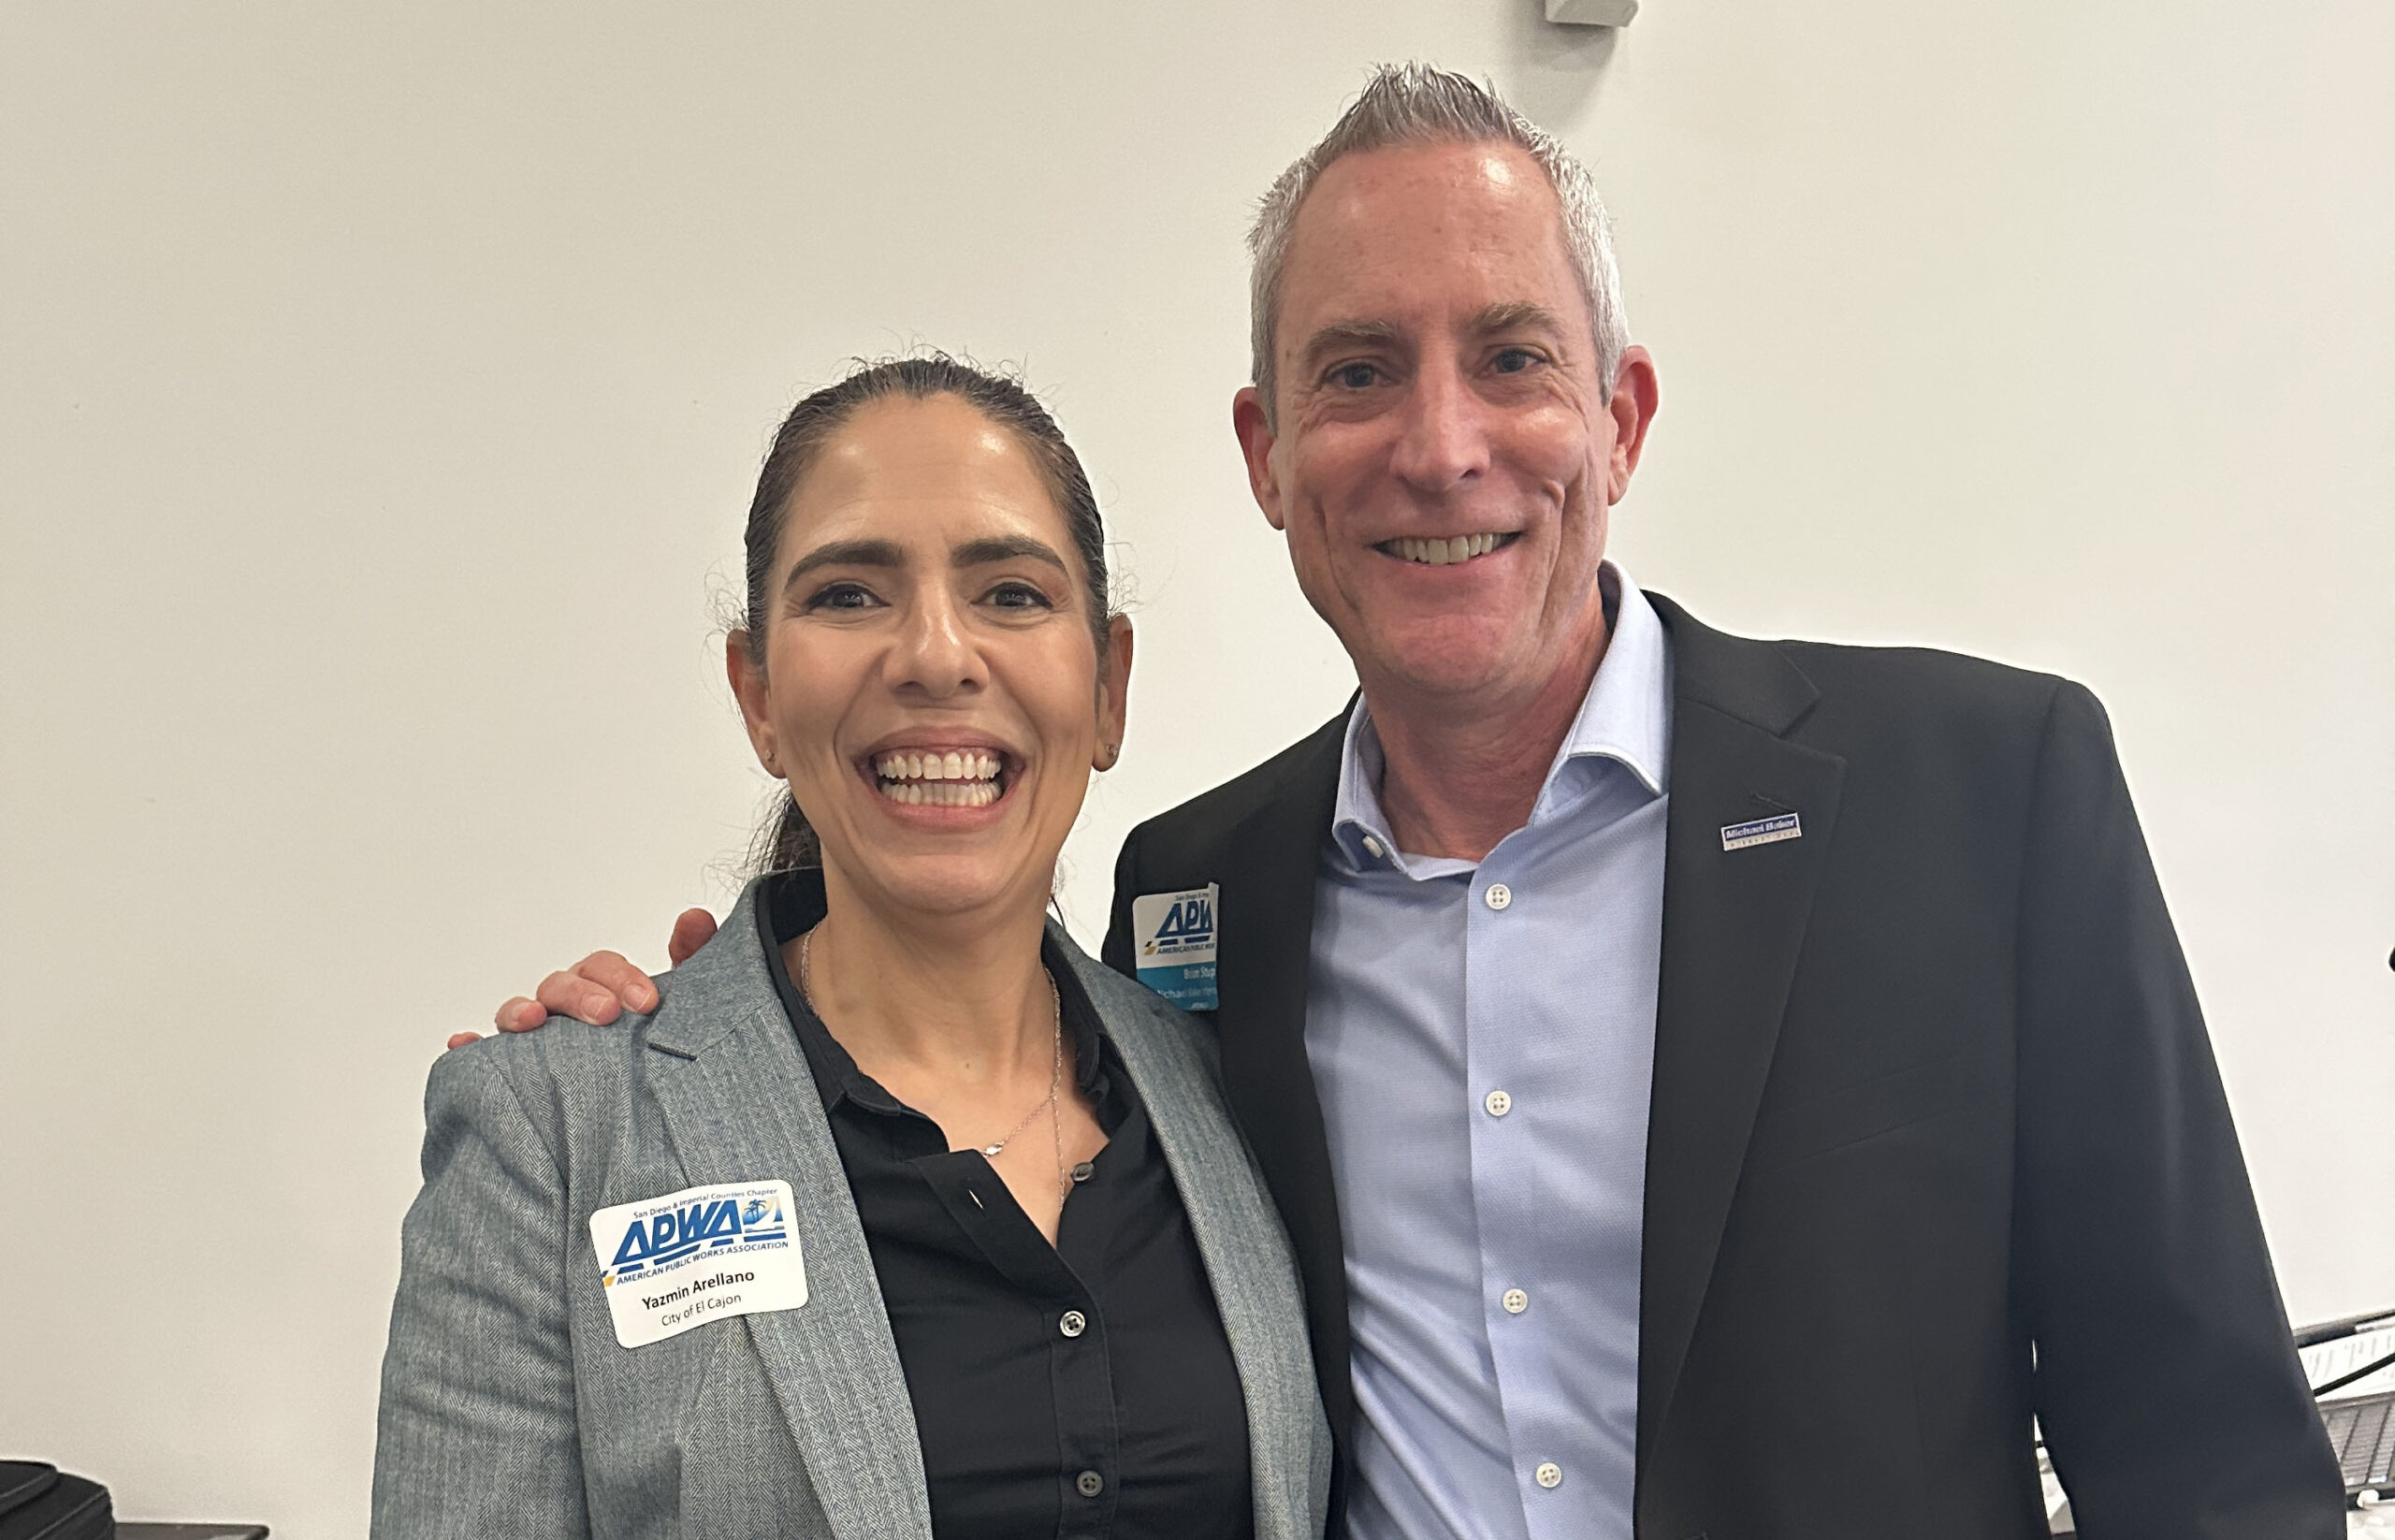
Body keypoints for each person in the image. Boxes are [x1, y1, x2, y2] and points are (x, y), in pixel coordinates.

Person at [486, 68, 2344, 1540]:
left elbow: (2207, 1453)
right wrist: (691, 1052)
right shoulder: (1198, 899)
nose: (1438, 447)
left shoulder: (1979, 794)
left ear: (1618, 419)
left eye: (1510, 359)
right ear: (1268, 456)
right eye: (1358, 372)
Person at [374, 357, 1331, 1540]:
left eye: (1011, 593)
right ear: (760, 697)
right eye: (848, 595)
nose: (935, 653)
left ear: (1108, 689)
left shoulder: (1229, 1088)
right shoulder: (557, 1134)